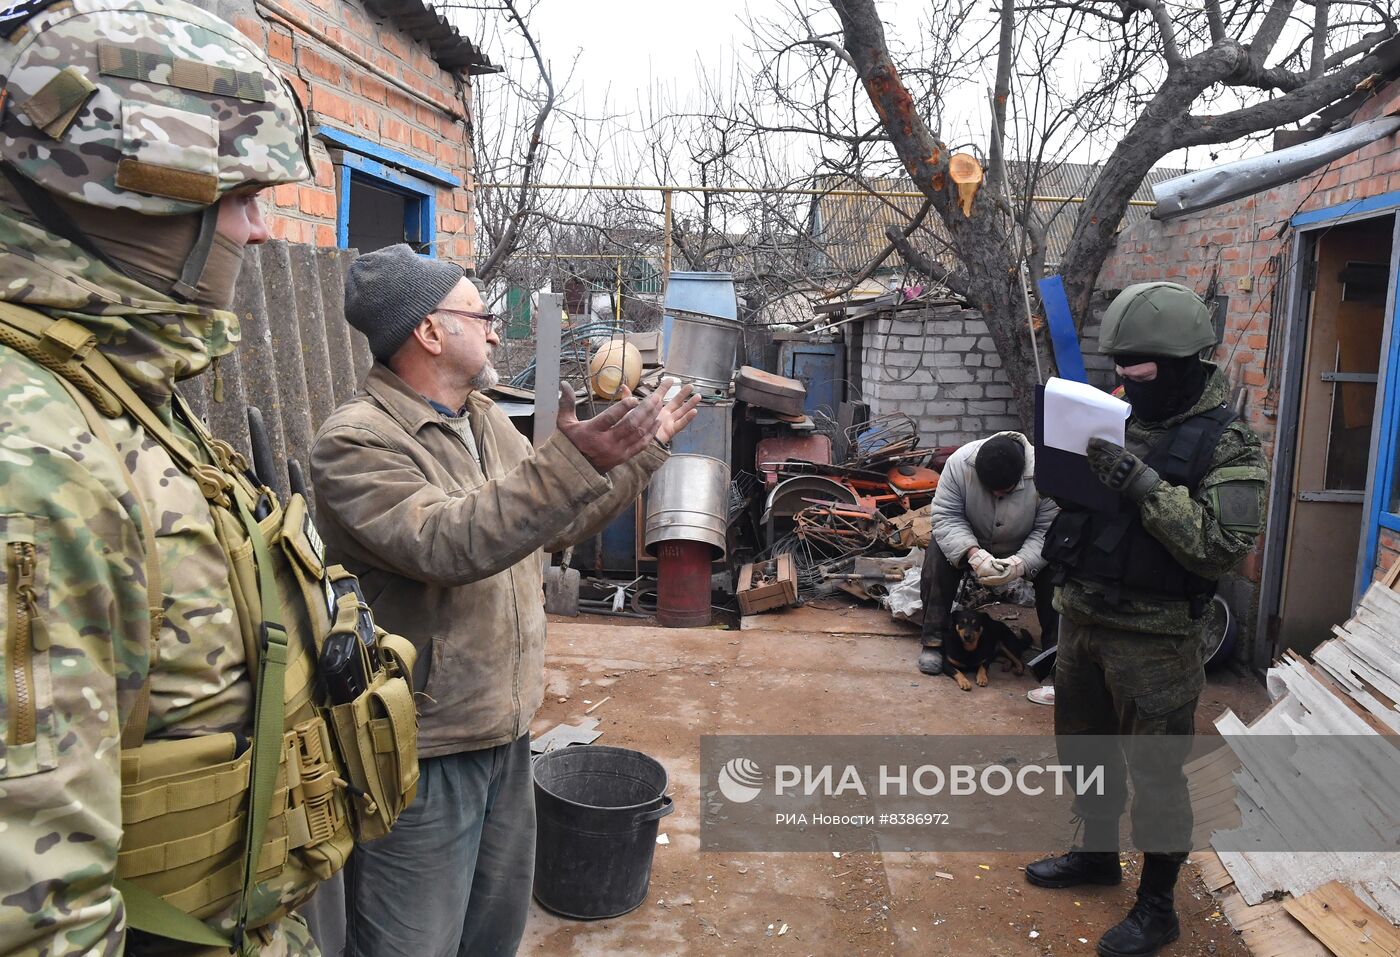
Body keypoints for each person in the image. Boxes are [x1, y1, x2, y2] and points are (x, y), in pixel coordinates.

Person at [0, 1, 381, 953]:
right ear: (130, 191)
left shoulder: (118, 385)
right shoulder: (31, 456)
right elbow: (37, 915)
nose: (258, 230)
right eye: (239, 192)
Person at [310, 244, 700, 957]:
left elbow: (550, 521)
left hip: (506, 729)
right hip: (421, 752)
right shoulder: (355, 443)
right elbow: (453, 541)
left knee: (492, 935)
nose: (495, 329)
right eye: (480, 313)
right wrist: (572, 459)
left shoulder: (484, 420)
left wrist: (642, 451)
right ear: (429, 331)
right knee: (411, 945)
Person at [1027, 282, 1267, 957]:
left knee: (1158, 775)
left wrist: (1141, 482)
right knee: (1086, 753)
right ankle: (1096, 853)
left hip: (1158, 638)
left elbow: (1221, 545)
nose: (1127, 384)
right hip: (1084, 615)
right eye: (1120, 370)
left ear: (1188, 364)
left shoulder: (1230, 443)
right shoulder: (1121, 415)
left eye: (1143, 372)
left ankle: (1158, 907)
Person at [917, 431, 1059, 675]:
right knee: (937, 554)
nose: (998, 496)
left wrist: (1020, 564)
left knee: (1057, 568)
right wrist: (972, 553)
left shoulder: (1046, 471)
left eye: (1005, 490)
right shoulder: (959, 464)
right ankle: (933, 641)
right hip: (971, 538)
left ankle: (1054, 653)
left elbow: (1049, 530)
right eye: (991, 490)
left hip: (1024, 542)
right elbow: (946, 517)